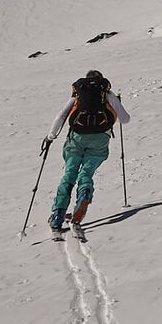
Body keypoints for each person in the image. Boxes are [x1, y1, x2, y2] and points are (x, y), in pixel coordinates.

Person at [44, 70, 131, 232]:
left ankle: (57, 214)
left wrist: (50, 136)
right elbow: (125, 119)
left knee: (69, 174)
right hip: (100, 140)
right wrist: (116, 104)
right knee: (86, 173)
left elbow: (61, 116)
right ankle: (83, 196)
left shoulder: (79, 92)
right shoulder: (107, 94)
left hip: (76, 139)